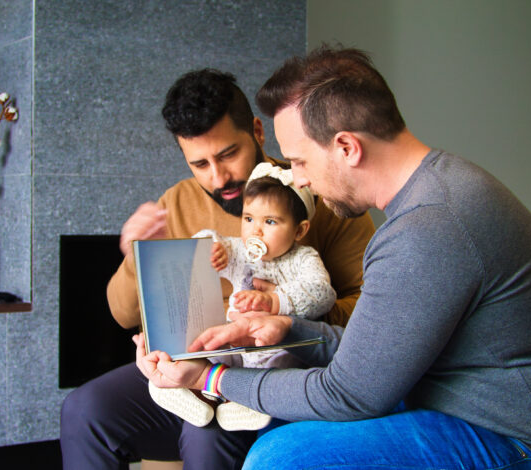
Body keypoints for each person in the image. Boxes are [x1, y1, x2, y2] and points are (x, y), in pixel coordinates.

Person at [133, 46, 531, 470]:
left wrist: (211, 375)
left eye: (298, 162)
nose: (297, 180)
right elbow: (377, 355)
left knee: (281, 459)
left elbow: (349, 393)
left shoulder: (429, 227)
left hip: (525, 439)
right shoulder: (435, 192)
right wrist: (289, 329)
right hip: (463, 404)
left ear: (346, 147)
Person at [59, 68, 376, 469]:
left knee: (207, 435)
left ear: (258, 132)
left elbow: (371, 313)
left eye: (228, 155)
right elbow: (122, 315)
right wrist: (137, 256)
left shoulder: (316, 196)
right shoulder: (177, 202)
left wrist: (281, 310)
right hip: (194, 369)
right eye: (200, 163)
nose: (218, 177)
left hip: (277, 374)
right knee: (84, 410)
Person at [149, 162, 336, 432]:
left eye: (270, 222)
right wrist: (212, 248)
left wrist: (275, 301)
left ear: (299, 230)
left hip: (272, 344)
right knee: (205, 344)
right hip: (233, 338)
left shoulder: (303, 259)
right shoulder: (240, 249)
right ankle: (188, 391)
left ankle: (246, 403)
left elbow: (322, 293)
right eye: (248, 219)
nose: (255, 231)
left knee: (278, 360)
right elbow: (206, 247)